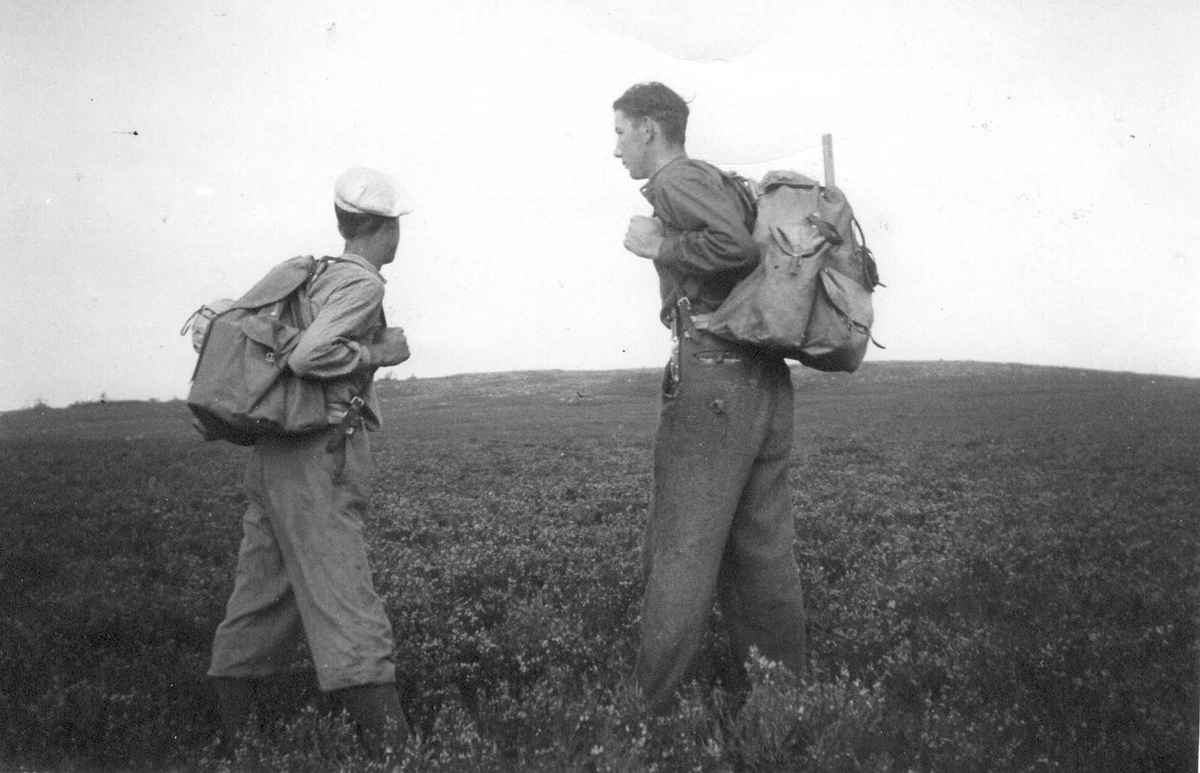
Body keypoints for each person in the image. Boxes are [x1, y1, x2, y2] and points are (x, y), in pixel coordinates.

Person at [206, 167, 414, 758]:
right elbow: (310, 355)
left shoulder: (314, 275)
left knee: (258, 596)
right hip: (319, 458)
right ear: (385, 227)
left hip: (274, 456)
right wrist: (379, 352)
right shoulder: (361, 284)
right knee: (346, 598)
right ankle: (396, 753)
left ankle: (239, 746)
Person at [612, 82, 807, 711]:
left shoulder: (677, 181)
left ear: (649, 129)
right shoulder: (718, 179)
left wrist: (660, 245)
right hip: (763, 379)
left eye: (620, 132)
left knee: (682, 547)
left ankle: (647, 714)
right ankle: (781, 704)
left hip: (716, 379)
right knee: (763, 550)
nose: (616, 149)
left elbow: (735, 246)